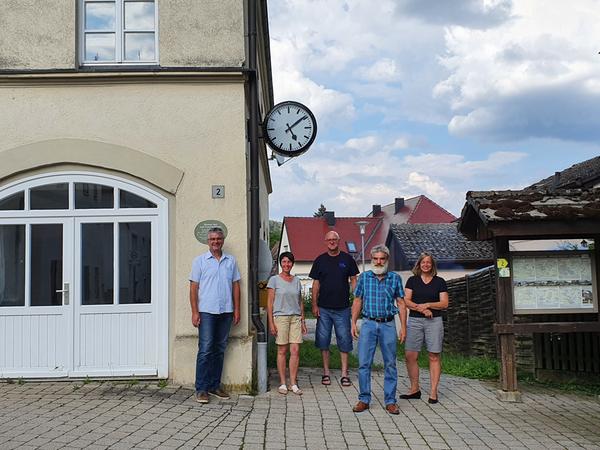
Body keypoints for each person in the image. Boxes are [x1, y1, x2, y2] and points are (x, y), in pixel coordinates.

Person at [351, 244, 406, 414]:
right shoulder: (364, 278)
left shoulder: (395, 278)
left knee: (390, 363)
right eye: (375, 259)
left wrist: (403, 327)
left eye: (382, 258)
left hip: (388, 324)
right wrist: (353, 322)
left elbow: (401, 303)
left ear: (387, 260)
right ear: (371, 260)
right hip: (368, 324)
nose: (378, 261)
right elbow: (358, 301)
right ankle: (364, 399)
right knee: (364, 363)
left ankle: (390, 401)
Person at [189, 227, 241, 404]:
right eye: (212, 239)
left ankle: (214, 385)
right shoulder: (200, 262)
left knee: (219, 350)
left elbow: (236, 286)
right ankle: (201, 389)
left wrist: (237, 309)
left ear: (223, 240)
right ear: (207, 242)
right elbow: (193, 288)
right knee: (205, 350)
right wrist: (195, 312)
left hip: (226, 311)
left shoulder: (230, 261)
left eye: (218, 239)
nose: (215, 242)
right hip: (207, 312)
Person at [309, 230, 359, 387]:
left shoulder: (347, 259)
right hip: (323, 308)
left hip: (342, 308)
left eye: (334, 239)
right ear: (325, 241)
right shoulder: (320, 260)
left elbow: (353, 280)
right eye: (329, 239)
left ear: (339, 241)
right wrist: (314, 304)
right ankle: (326, 372)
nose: (332, 242)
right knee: (323, 340)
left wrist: (355, 299)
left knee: (344, 339)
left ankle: (344, 373)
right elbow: (316, 284)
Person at [400, 252, 449, 404]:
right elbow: (406, 300)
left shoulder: (439, 282)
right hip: (415, 320)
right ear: (419, 264)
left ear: (432, 265)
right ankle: (415, 389)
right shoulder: (412, 281)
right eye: (423, 262)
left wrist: (428, 305)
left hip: (434, 321)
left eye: (429, 262)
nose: (426, 265)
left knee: (434, 355)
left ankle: (433, 391)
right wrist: (422, 309)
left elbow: (444, 303)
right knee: (410, 355)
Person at [267, 252, 308, 395]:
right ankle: (283, 383)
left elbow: (300, 301)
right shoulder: (274, 280)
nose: (286, 264)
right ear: (280, 263)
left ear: (292, 264)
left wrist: (303, 320)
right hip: (281, 318)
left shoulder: (296, 280)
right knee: (282, 350)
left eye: (289, 262)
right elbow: (270, 303)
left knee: (295, 351)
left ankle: (293, 383)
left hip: (295, 318)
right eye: (284, 262)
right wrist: (271, 323)